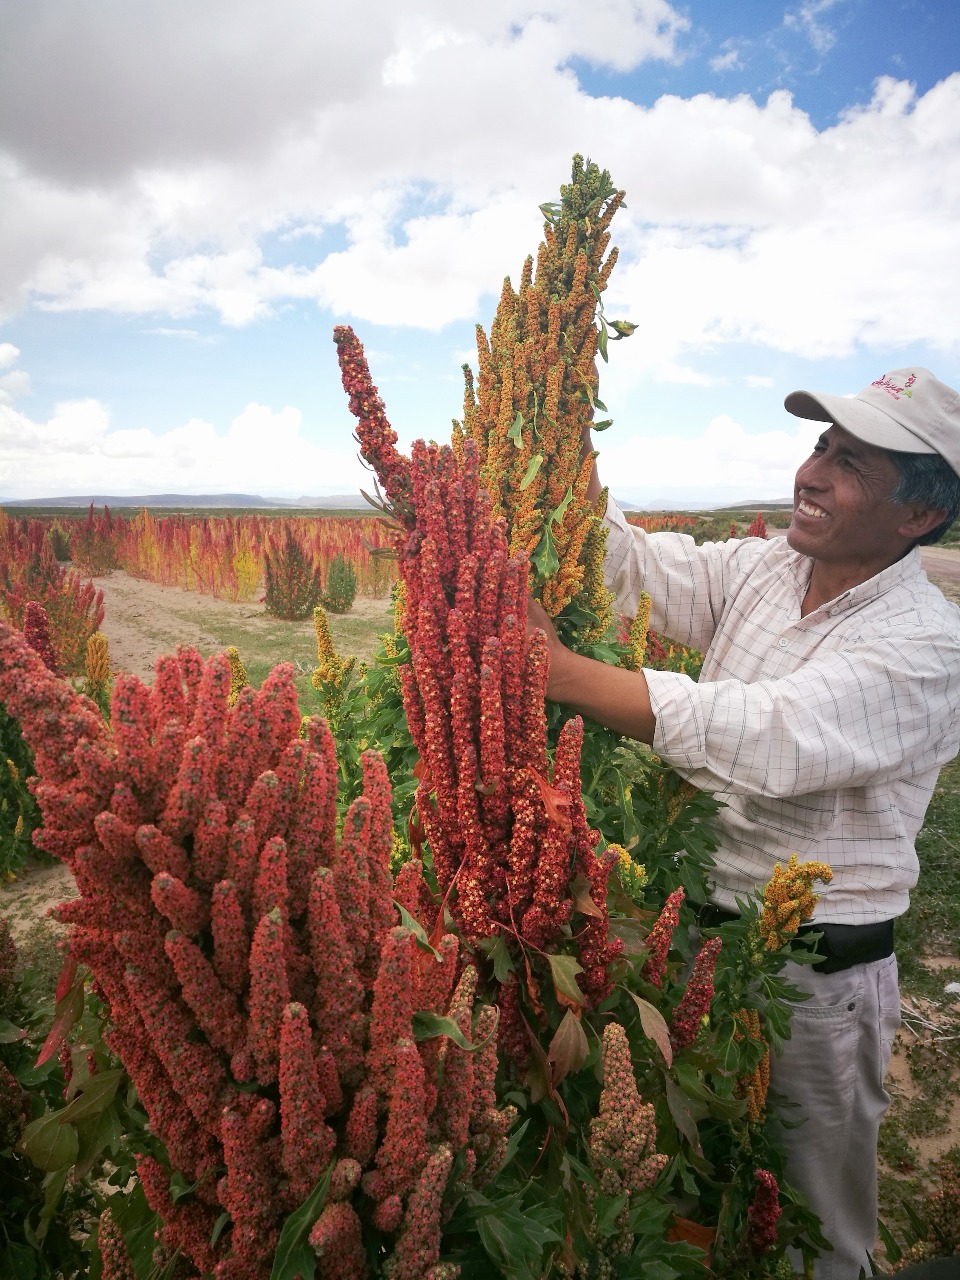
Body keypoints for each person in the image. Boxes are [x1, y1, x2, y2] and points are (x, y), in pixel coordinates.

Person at [529, 367, 960, 1279]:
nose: (812, 473)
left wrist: (563, 674)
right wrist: (555, 463)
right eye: (819, 447)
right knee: (691, 1193)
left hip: (814, 982)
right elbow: (650, 568)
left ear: (919, 515)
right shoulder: (773, 568)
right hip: (690, 947)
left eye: (850, 464)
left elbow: (775, 737)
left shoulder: (929, 646)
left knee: (806, 1225)